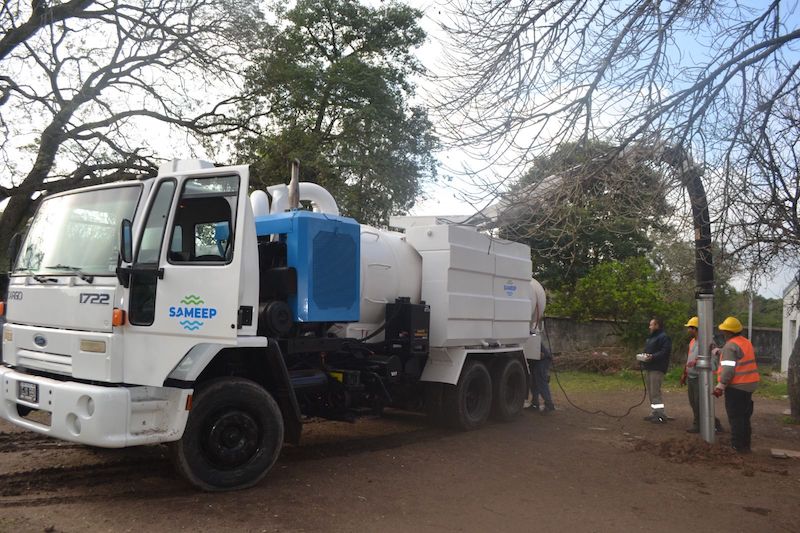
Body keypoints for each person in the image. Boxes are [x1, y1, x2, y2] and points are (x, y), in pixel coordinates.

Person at [713, 316, 759, 453]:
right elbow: (739, 355)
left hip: (737, 386)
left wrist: (721, 385)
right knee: (745, 416)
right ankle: (745, 445)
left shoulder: (730, 346)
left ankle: (737, 445)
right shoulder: (745, 342)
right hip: (749, 384)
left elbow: (728, 370)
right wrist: (720, 352)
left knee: (736, 417)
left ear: (728, 332)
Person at [680, 316, 723, 433]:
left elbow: (714, 361)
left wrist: (697, 362)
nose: (688, 330)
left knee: (700, 402)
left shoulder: (708, 342)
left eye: (690, 328)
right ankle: (713, 423)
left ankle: (699, 424)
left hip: (701, 377)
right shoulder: (692, 342)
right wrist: (684, 374)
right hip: (691, 376)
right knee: (693, 402)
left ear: (695, 329)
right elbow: (689, 358)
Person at [641, 317, 672, 424]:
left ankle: (660, 415)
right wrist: (644, 357)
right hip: (649, 367)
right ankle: (654, 412)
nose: (649, 327)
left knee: (655, 392)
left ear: (657, 325)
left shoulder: (663, 337)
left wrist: (652, 357)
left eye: (651, 325)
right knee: (651, 391)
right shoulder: (651, 338)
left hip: (657, 368)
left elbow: (665, 352)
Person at [528, 345, 555, 412]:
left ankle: (549, 404)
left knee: (540, 381)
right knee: (533, 382)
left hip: (542, 358)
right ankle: (535, 404)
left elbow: (541, 354)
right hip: (534, 359)